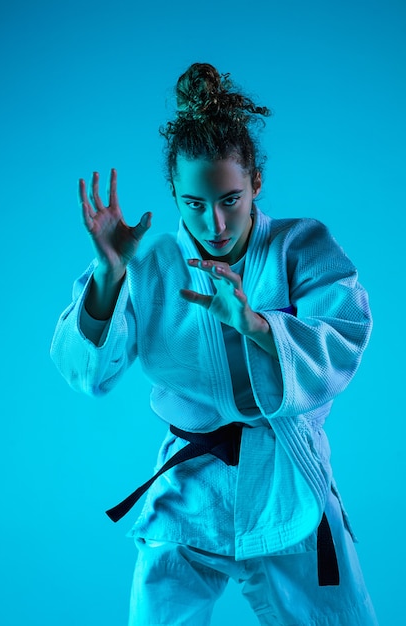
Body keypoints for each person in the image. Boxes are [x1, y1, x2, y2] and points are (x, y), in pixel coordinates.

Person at [50, 62, 379, 625]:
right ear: (175, 195)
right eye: (195, 204)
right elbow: (87, 373)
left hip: (287, 481)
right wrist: (108, 277)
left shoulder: (301, 247)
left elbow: (345, 339)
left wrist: (256, 325)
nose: (216, 223)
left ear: (255, 183)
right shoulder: (152, 265)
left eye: (230, 199)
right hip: (190, 490)